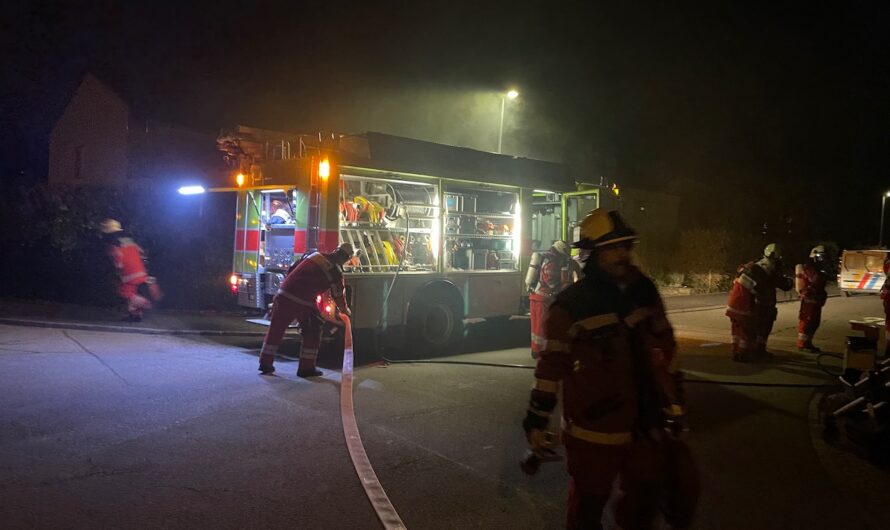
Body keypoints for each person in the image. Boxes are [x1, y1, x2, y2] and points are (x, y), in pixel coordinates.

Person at [522, 209, 696, 529]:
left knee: (643, 502)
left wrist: (675, 403)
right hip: (593, 430)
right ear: (592, 253)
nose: (622, 254)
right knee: (588, 505)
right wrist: (537, 418)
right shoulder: (571, 305)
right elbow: (551, 367)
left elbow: (667, 348)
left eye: (625, 246)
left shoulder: (644, 291)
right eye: (611, 248)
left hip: (645, 424)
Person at [258, 243, 354, 377]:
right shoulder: (335, 272)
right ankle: (306, 368)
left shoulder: (314, 255)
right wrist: (345, 311)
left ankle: (265, 363)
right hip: (303, 302)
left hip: (283, 295)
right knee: (313, 330)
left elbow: (293, 268)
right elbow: (338, 295)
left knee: (276, 329)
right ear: (345, 258)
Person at [725, 244, 794, 362]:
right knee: (748, 330)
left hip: (735, 301)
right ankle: (744, 354)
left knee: (738, 330)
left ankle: (737, 353)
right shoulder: (765, 270)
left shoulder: (753, 265)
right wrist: (788, 281)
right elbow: (782, 285)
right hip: (744, 304)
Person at [526, 240, 579, 359]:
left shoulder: (546, 259)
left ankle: (536, 349)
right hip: (543, 299)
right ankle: (541, 350)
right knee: (542, 326)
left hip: (536, 296)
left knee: (536, 326)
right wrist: (563, 289)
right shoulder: (553, 263)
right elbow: (552, 283)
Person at [100, 218, 160, 322]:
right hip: (140, 270)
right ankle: (136, 315)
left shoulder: (113, 244)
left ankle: (144, 303)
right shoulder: (128, 240)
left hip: (129, 272)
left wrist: (118, 270)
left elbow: (118, 259)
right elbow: (141, 252)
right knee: (133, 293)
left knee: (124, 292)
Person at [796, 245, 829, 352]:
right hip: (809, 302)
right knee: (807, 322)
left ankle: (808, 343)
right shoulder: (809, 269)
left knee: (814, 323)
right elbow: (811, 285)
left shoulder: (818, 270)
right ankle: (802, 344)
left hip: (816, 301)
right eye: (820, 257)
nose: (822, 259)